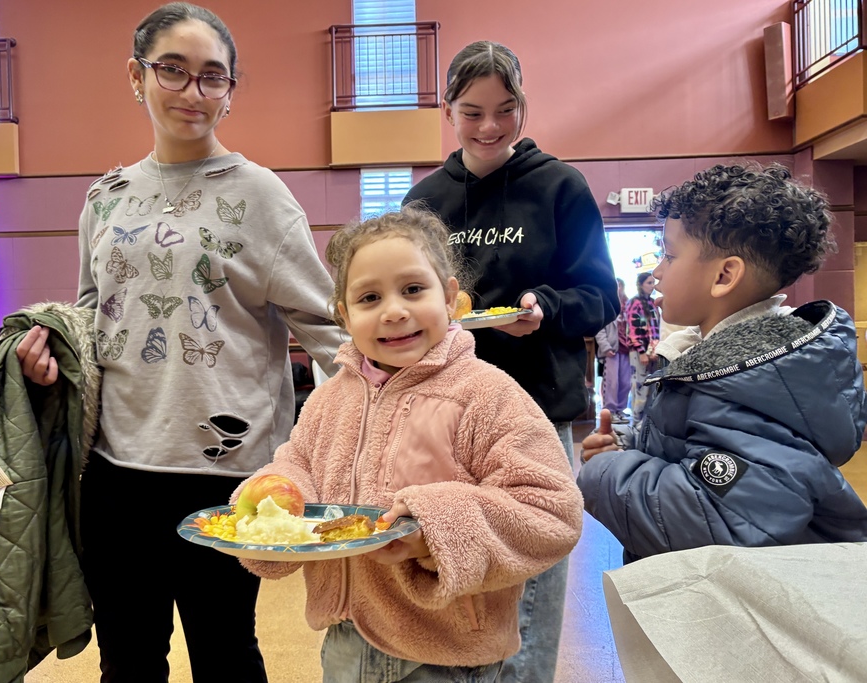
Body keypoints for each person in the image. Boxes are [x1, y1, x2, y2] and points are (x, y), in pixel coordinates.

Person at [15, 3, 346, 681]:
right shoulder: (104, 197)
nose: (193, 92)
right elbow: (90, 316)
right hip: (115, 471)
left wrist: (396, 424)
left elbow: (329, 330)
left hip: (226, 478)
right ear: (137, 77)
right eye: (174, 70)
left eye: (212, 77)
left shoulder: (262, 197)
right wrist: (50, 363)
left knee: (226, 654)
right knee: (129, 660)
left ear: (230, 90)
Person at [235, 207, 583, 683]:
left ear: (452, 298)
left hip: (444, 655)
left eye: (413, 290)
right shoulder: (330, 399)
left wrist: (431, 530)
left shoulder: (487, 395)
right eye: (370, 297)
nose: (394, 310)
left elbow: (551, 511)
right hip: (345, 639)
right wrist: (273, 494)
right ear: (344, 315)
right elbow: (297, 463)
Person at [401, 40, 619, 682]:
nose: (491, 127)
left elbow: (601, 294)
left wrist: (547, 307)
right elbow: (407, 296)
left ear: (524, 105)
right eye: (472, 112)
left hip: (536, 409)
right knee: (449, 567)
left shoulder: (560, 185)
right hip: (444, 409)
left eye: (506, 108)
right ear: (448, 112)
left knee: (536, 573)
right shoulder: (426, 198)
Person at [578, 163, 867, 564]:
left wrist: (607, 472)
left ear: (724, 275)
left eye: (670, 255)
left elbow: (718, 520)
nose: (658, 272)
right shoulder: (728, 365)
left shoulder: (753, 380)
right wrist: (632, 447)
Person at [623, 271, 660, 425]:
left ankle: (646, 423)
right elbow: (634, 329)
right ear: (641, 284)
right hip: (640, 352)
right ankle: (637, 422)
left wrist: (655, 349)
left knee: (651, 387)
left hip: (652, 351)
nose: (652, 286)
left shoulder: (652, 303)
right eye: (649, 283)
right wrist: (642, 351)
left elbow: (656, 329)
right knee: (640, 387)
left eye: (653, 283)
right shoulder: (634, 303)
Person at [595, 278, 631, 424]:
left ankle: (620, 409)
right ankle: (609, 411)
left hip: (626, 349)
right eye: (616, 286)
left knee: (626, 382)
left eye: (620, 286)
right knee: (612, 382)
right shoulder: (606, 304)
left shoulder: (629, 305)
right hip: (611, 350)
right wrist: (605, 347)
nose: (618, 289)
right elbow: (599, 329)